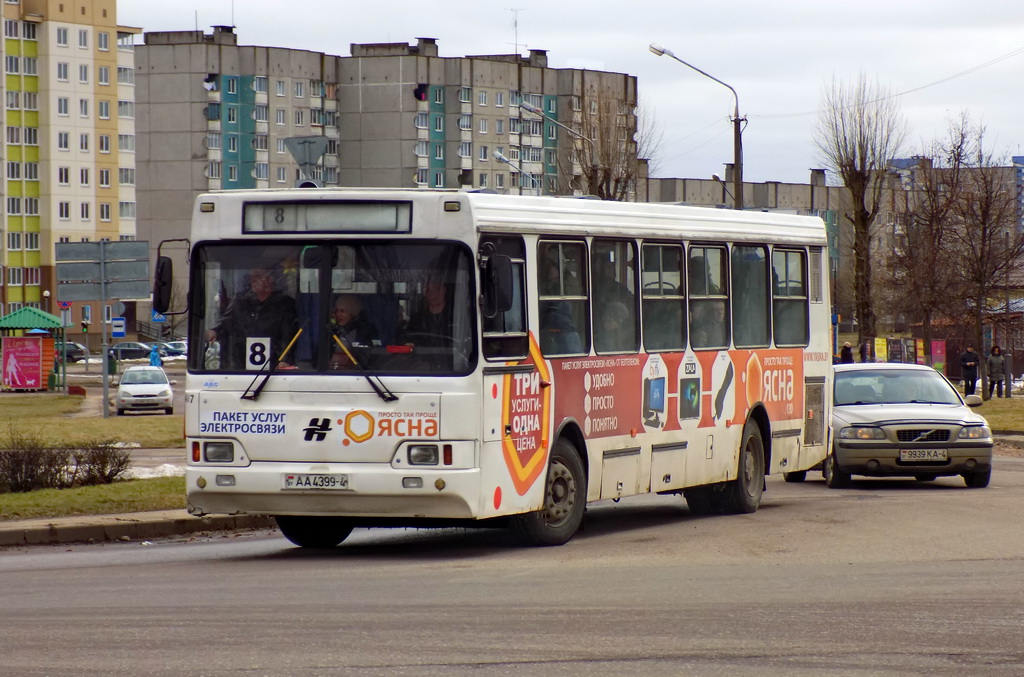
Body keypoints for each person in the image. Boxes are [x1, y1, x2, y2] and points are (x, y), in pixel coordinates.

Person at [217, 267, 299, 369]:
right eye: (263, 278)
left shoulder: (284, 303)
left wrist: (285, 359)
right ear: (253, 282)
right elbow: (227, 320)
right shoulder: (240, 300)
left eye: (270, 277)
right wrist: (214, 331)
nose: (268, 281)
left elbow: (288, 333)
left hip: (275, 361)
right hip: (241, 360)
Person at [329, 294, 379, 369]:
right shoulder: (332, 330)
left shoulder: (366, 331)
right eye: (337, 311)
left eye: (343, 311)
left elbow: (370, 355)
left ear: (353, 313)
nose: (338, 315)